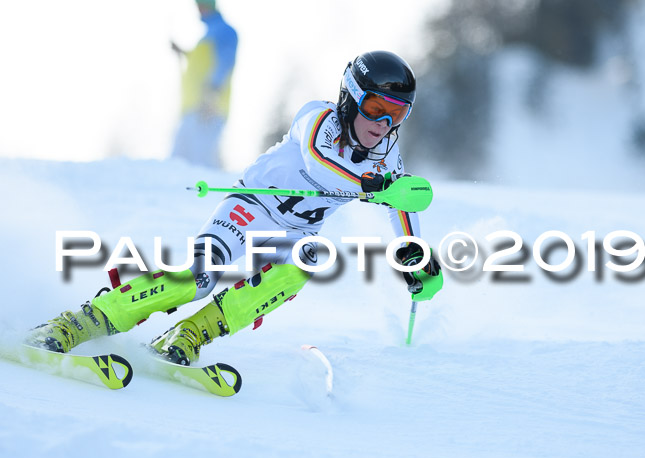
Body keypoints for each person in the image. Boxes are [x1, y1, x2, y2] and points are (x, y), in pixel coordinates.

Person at [27, 51, 444, 365]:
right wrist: (371, 186)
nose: (384, 125)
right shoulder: (318, 118)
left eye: (397, 114)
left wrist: (413, 251)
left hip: (295, 233)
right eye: (376, 109)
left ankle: (188, 335)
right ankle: (76, 323)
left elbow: (400, 203)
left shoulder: (386, 158)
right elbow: (320, 161)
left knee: (304, 264)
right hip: (252, 208)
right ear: (352, 99)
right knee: (198, 278)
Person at [170, 0, 238, 168]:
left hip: (207, 108)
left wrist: (212, 95)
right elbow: (201, 63)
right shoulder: (207, 35)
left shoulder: (225, 31)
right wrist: (183, 53)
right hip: (192, 107)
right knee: (179, 160)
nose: (199, 10)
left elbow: (225, 62)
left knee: (201, 163)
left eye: (202, 6)